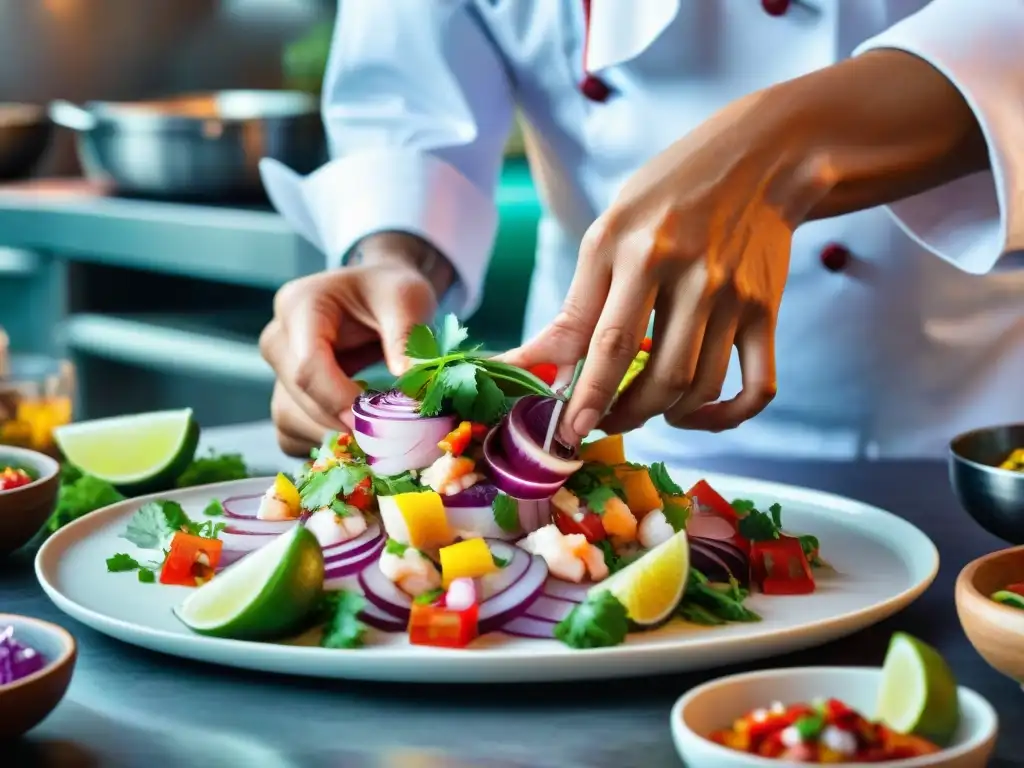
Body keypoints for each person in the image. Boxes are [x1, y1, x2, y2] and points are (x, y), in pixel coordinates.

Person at [258, 0, 1024, 464]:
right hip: (601, 441)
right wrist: (392, 253)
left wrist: (777, 148)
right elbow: (409, 92)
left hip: (969, 444)